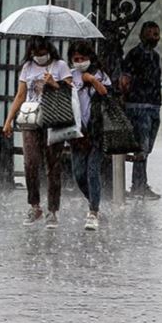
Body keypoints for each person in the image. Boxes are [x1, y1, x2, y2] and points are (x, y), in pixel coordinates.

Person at [3, 36, 72, 228]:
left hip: (53, 120)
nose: (39, 57)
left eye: (42, 53)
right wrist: (9, 120)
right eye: (35, 54)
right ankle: (35, 205)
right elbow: (21, 94)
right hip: (32, 120)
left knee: (53, 165)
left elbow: (70, 92)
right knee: (30, 162)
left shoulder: (60, 66)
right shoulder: (28, 67)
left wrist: (54, 83)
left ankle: (52, 210)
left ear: (48, 50)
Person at [67, 40, 111, 230]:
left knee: (92, 171)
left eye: (82, 58)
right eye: (76, 59)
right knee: (79, 173)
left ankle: (93, 211)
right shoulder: (69, 75)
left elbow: (107, 93)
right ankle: (94, 202)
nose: (79, 61)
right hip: (77, 132)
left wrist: (91, 80)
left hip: (97, 131)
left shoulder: (99, 74)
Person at [120, 21, 162, 200]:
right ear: (142, 35)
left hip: (153, 106)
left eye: (157, 33)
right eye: (151, 33)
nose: (155, 37)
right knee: (141, 147)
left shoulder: (155, 57)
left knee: (147, 147)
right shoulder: (134, 55)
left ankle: (140, 183)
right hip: (138, 106)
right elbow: (125, 81)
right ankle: (138, 185)